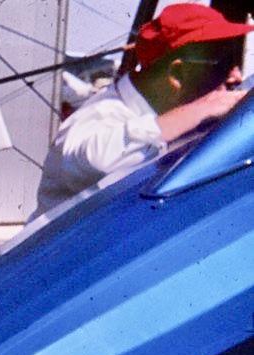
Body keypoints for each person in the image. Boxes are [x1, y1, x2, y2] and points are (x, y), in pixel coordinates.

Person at [36, 3, 250, 216]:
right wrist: (200, 110)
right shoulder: (98, 115)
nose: (237, 76)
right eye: (224, 64)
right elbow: (98, 158)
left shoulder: (173, 116)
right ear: (177, 74)